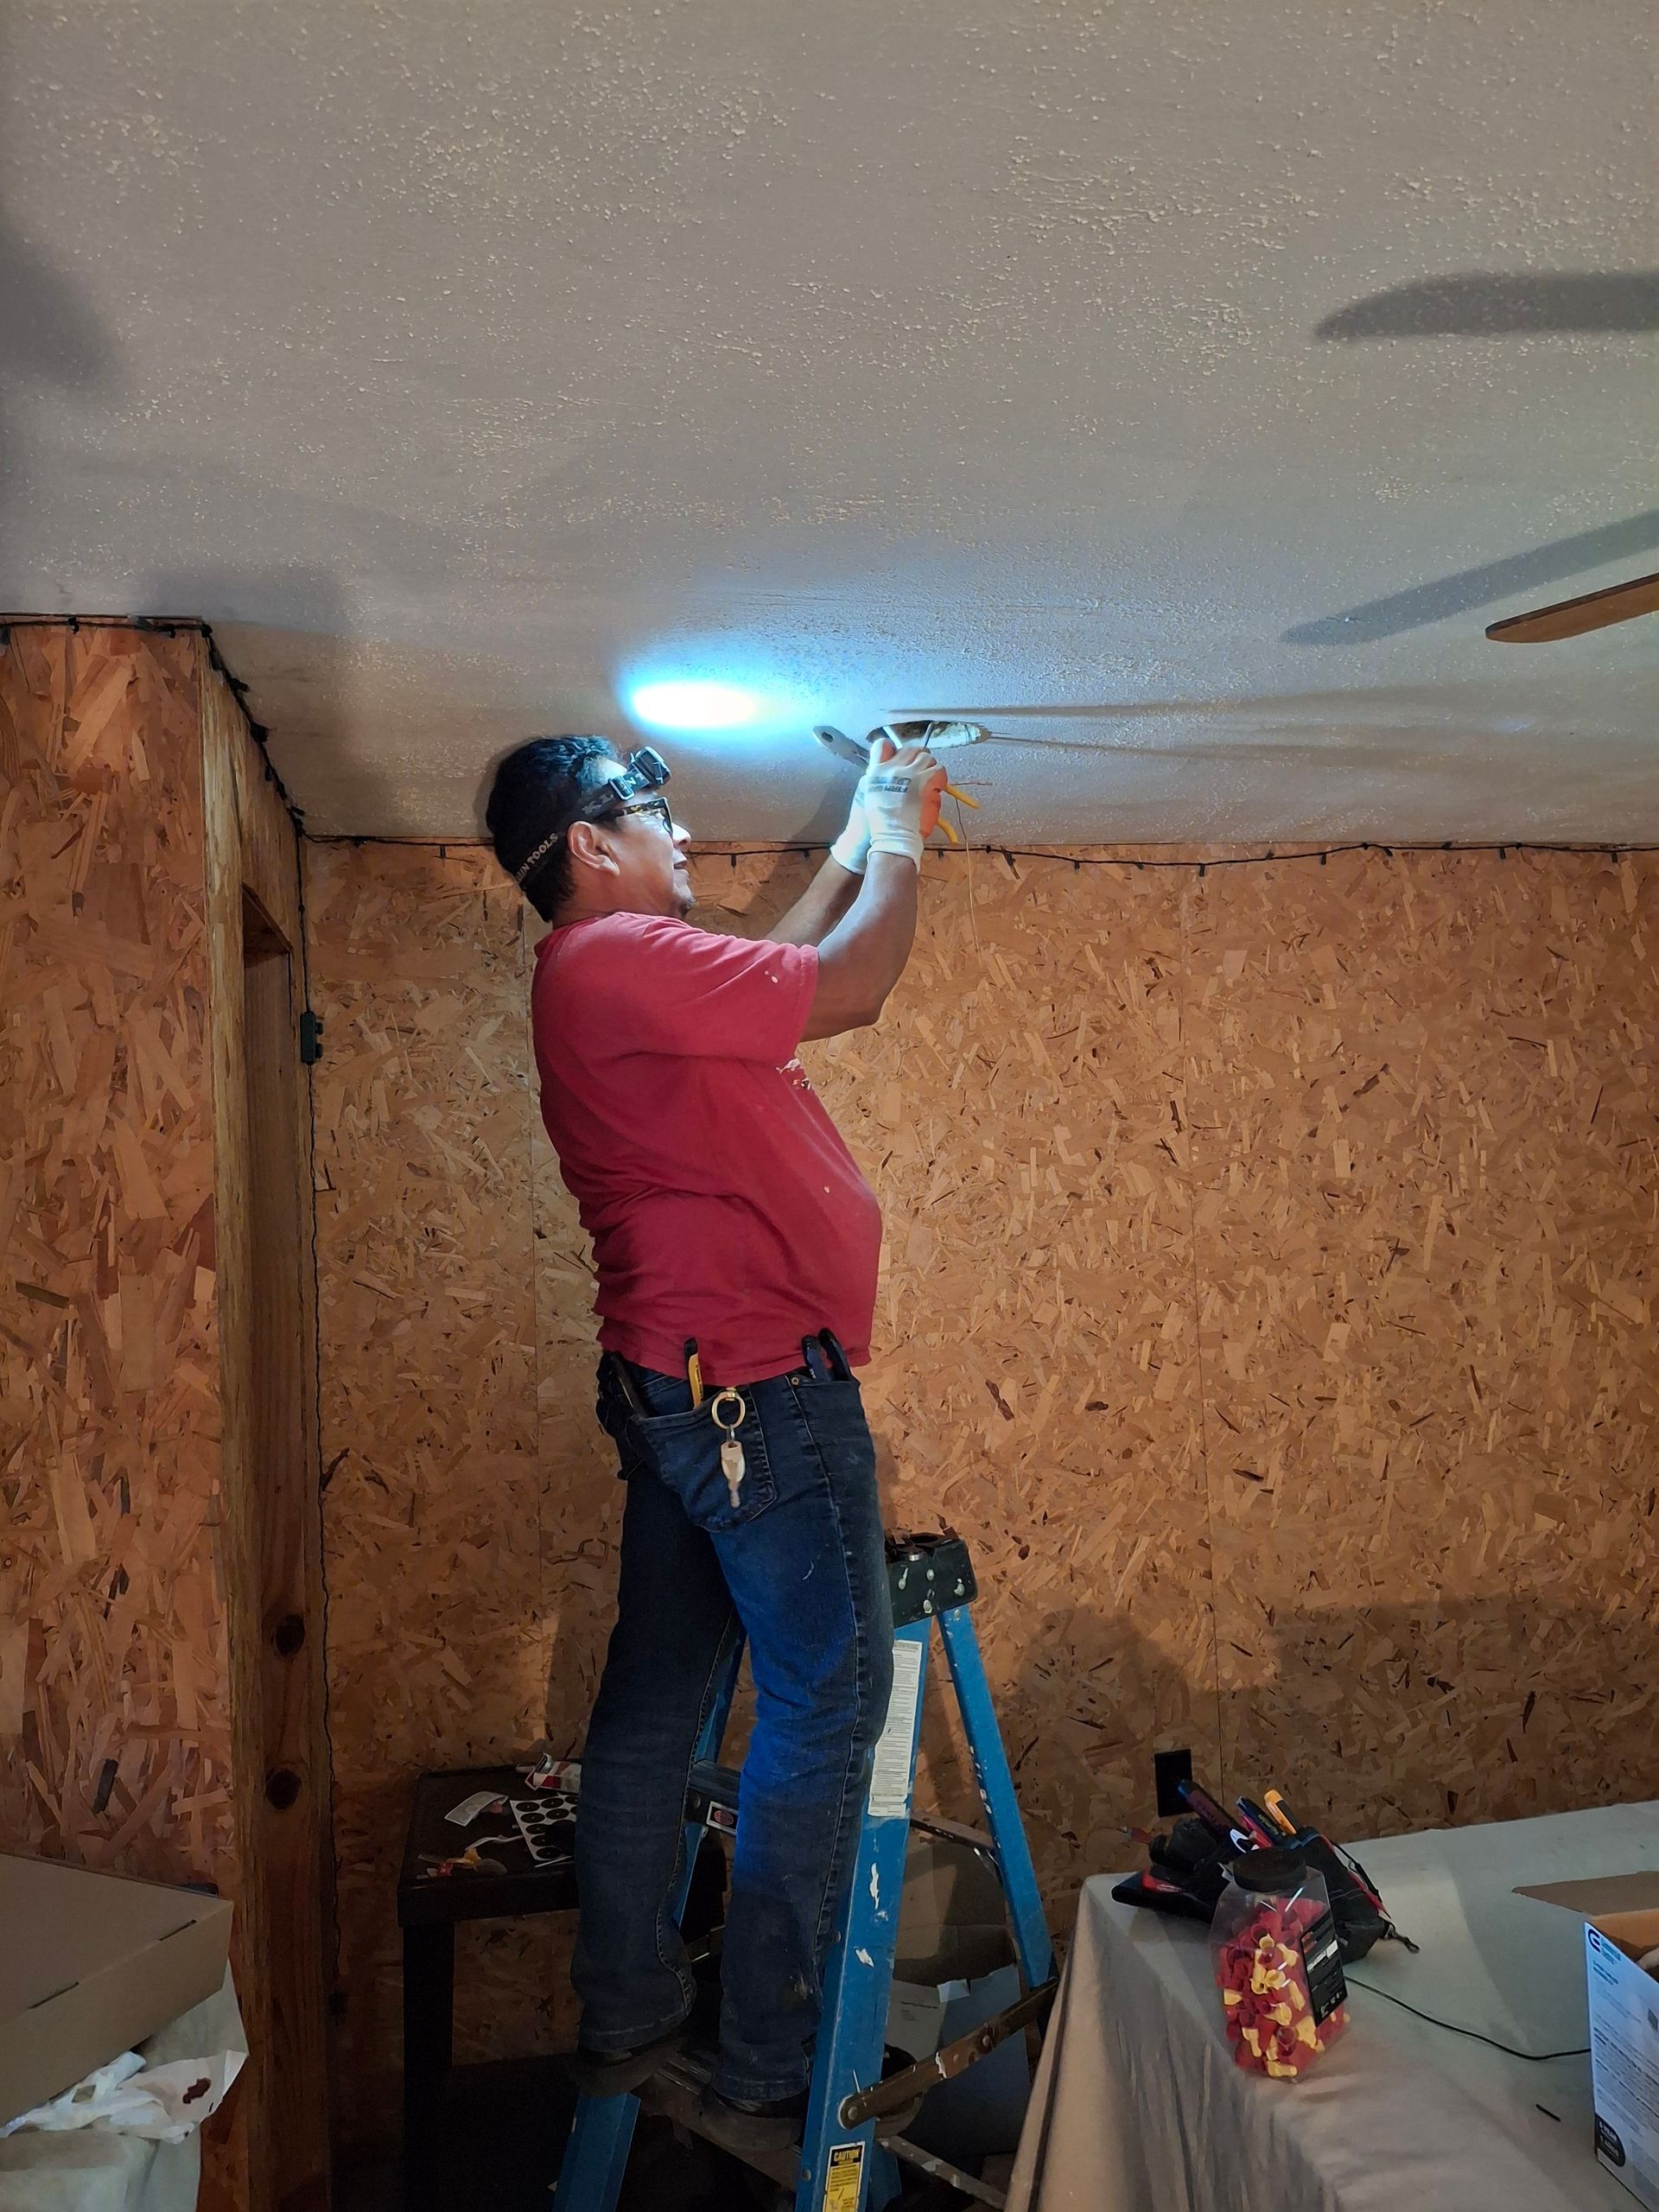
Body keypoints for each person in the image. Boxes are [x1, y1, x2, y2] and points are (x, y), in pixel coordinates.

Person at [485, 727, 947, 2146]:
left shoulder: (608, 974)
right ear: (587, 848)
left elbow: (779, 962)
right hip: (756, 1389)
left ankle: (628, 2009)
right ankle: (769, 2049)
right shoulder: (615, 961)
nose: (680, 835)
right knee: (829, 1697)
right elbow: (851, 987)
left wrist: (864, 830)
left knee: (654, 1702)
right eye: (652, 814)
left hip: (677, 1385)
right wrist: (910, 828)